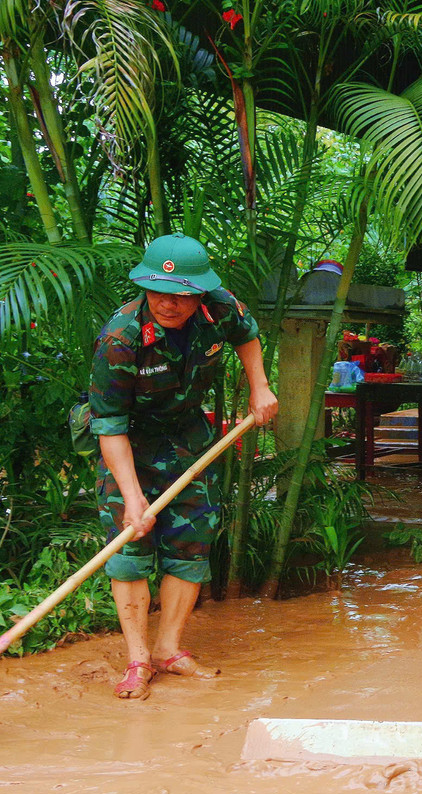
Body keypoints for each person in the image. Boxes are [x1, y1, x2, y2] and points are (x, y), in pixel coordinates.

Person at [88, 233, 278, 700]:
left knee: (190, 544)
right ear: (143, 286)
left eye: (180, 296)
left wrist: (260, 387)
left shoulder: (220, 307)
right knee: (130, 549)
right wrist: (133, 498)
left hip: (189, 440)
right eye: (158, 292)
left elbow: (248, 336)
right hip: (128, 445)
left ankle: (169, 649)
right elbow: (109, 427)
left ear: (199, 293)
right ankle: (137, 660)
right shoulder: (120, 338)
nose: (168, 304)